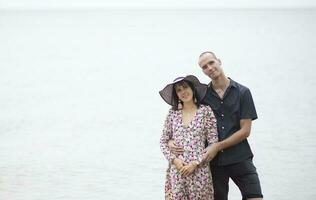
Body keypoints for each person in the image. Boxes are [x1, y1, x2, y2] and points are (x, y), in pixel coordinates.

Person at [168, 52, 263, 200]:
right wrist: (170, 140)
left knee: (255, 197)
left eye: (211, 63)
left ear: (219, 61)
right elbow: (183, 118)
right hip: (214, 163)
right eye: (204, 67)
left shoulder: (243, 92)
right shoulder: (202, 96)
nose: (209, 68)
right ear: (203, 71)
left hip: (241, 157)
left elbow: (245, 131)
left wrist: (217, 146)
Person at [159, 75, 218, 200]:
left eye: (185, 87)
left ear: (192, 88)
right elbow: (163, 141)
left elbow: (213, 143)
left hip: (199, 172)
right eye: (179, 90)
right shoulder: (172, 113)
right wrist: (175, 161)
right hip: (177, 172)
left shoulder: (205, 111)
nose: (183, 92)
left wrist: (195, 164)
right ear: (176, 95)